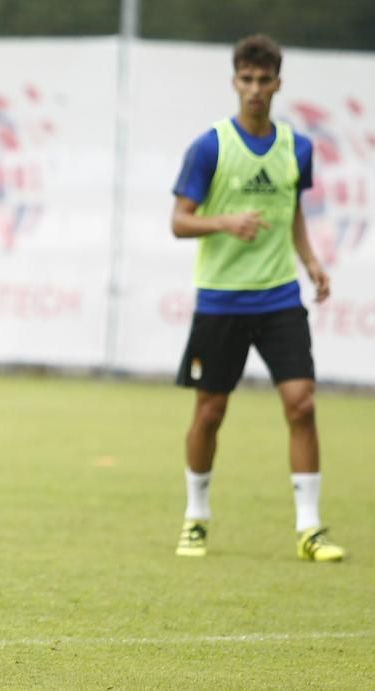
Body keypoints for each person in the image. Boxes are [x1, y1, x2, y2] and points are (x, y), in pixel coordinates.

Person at [171, 34, 344, 562]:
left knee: (302, 403)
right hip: (222, 301)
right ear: (234, 82)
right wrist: (225, 221)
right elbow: (179, 221)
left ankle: (309, 528)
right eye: (245, 80)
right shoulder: (210, 147)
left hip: (279, 299)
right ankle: (196, 517)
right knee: (210, 412)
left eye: (263, 80)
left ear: (277, 85)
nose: (253, 89)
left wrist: (309, 260)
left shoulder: (298, 147)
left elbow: (293, 210)